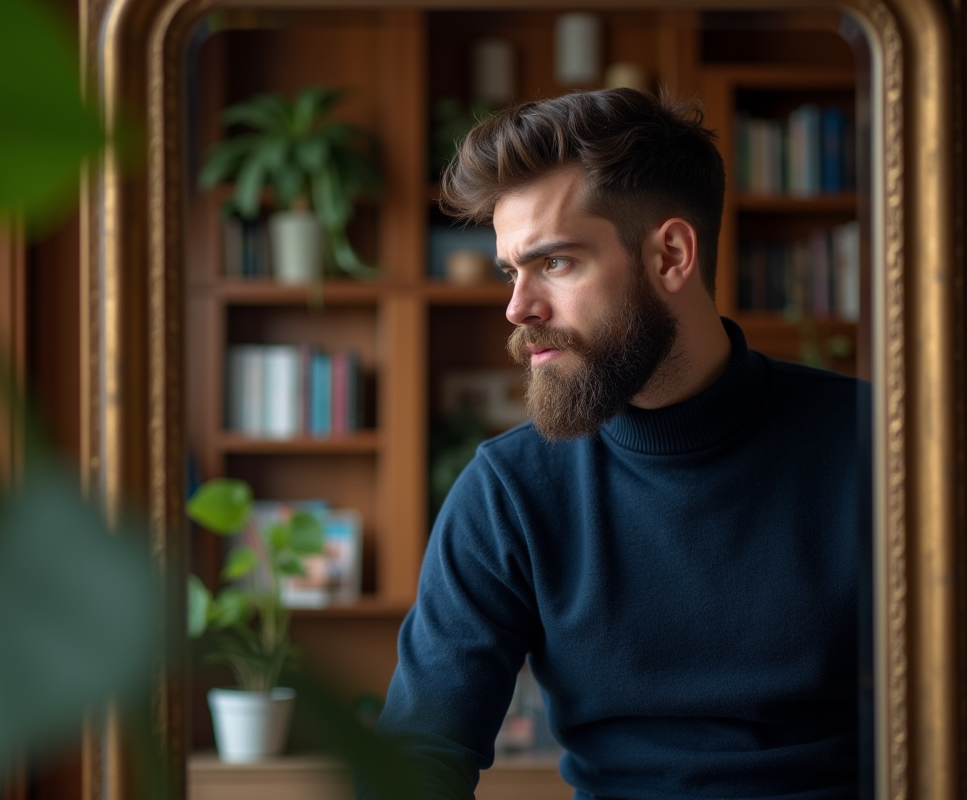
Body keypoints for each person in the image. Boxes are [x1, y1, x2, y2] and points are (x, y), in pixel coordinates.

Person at [356, 88, 870, 800]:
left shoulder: (885, 450)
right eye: (512, 270)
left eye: (555, 264)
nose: (517, 307)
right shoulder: (509, 490)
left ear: (671, 256)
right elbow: (419, 754)